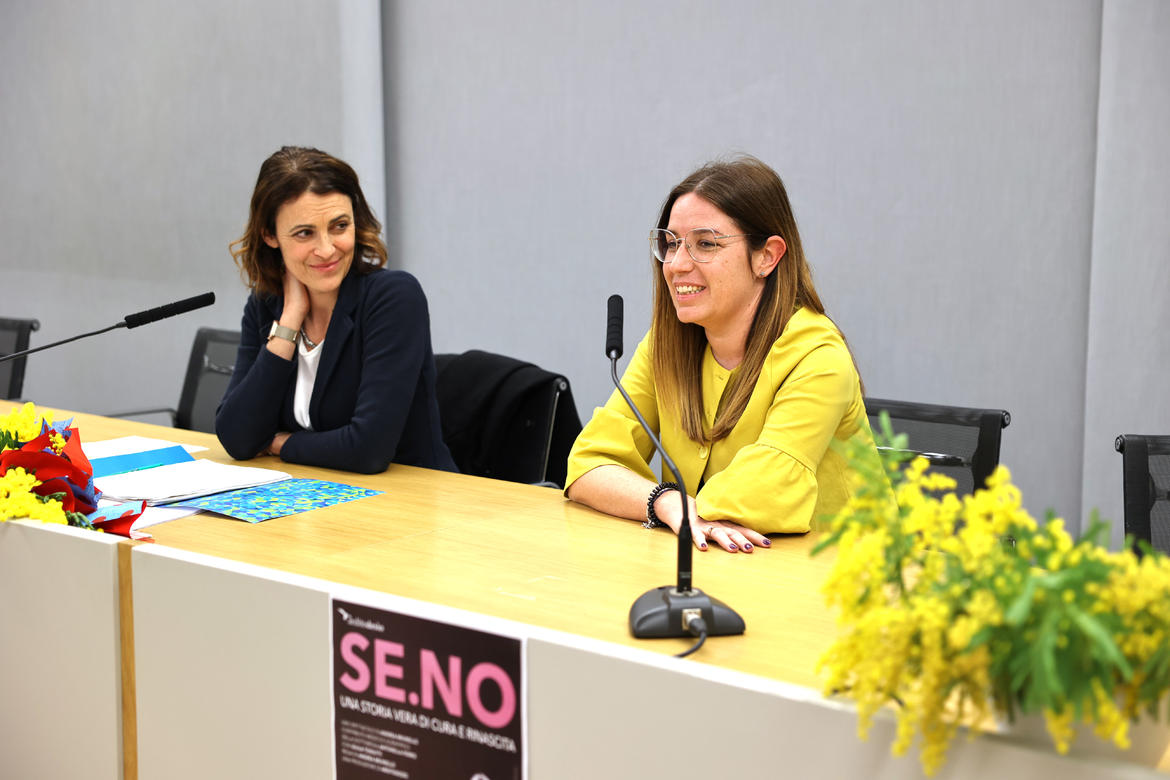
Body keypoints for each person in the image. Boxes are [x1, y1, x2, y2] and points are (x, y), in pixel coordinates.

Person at [565, 155, 881, 553]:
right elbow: (588, 465)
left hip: (848, 585)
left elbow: (765, 490)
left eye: (706, 244)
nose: (677, 265)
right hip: (721, 566)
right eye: (671, 243)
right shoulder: (666, 345)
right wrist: (667, 502)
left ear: (767, 256)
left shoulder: (818, 356)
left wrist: (675, 507)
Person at [216, 146, 456, 474]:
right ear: (270, 235)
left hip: (408, 504)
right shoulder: (266, 305)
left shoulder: (393, 297)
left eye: (339, 226)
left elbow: (368, 450)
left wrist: (277, 443)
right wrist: (289, 322)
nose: (327, 249)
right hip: (315, 498)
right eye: (305, 233)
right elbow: (238, 439)